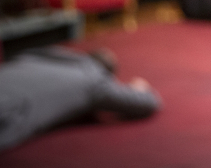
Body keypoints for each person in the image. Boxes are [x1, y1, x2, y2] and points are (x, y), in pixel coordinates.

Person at [0, 46, 161, 151]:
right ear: (107, 74)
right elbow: (147, 103)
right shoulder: (94, 80)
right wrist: (139, 88)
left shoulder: (43, 55)